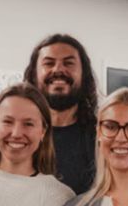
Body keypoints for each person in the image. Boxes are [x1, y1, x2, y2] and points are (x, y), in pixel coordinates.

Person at [24, 34, 100, 195]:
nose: (58, 70)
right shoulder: (18, 136)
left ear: (83, 74)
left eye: (68, 63)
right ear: (34, 75)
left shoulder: (102, 138)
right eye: (49, 63)